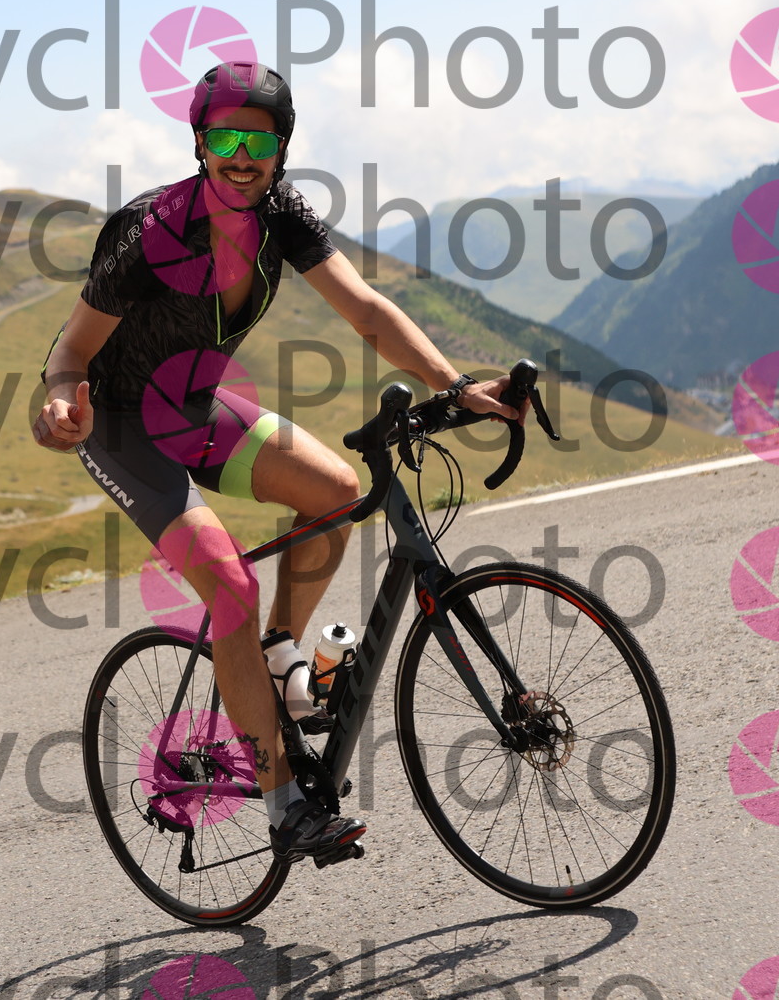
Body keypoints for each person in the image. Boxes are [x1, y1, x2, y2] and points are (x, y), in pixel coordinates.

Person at [33, 61, 517, 862]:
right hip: (116, 424)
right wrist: (60, 404)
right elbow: (70, 352)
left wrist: (455, 384)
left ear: (281, 150)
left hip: (192, 410)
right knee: (231, 585)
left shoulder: (281, 215)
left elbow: (366, 310)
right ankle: (286, 807)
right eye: (225, 138)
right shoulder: (152, 233)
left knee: (337, 490)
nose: (241, 157)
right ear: (198, 142)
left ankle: (279, 657)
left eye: (258, 142)